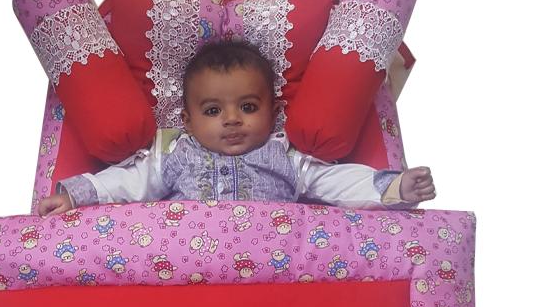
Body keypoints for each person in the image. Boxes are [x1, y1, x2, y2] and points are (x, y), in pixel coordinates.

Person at [37, 40, 435, 216]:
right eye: (213, 110)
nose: (232, 119)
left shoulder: (284, 156)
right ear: (188, 122)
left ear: (273, 113)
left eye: (248, 107)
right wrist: (77, 196)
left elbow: (336, 182)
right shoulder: (176, 155)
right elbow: (130, 182)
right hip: (189, 269)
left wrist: (394, 188)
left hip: (269, 267)